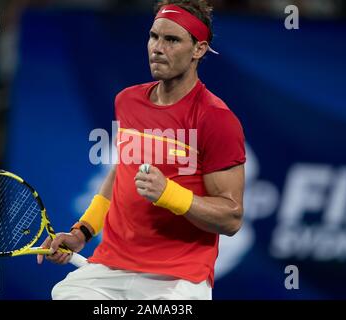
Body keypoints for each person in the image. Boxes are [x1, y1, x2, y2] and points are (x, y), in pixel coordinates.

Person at [37, 0, 246, 300]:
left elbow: (232, 218)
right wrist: (82, 232)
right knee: (63, 294)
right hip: (112, 268)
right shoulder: (128, 101)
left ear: (198, 49)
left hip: (179, 278)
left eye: (172, 39)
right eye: (154, 36)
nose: (157, 47)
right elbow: (121, 173)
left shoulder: (217, 119)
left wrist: (169, 194)